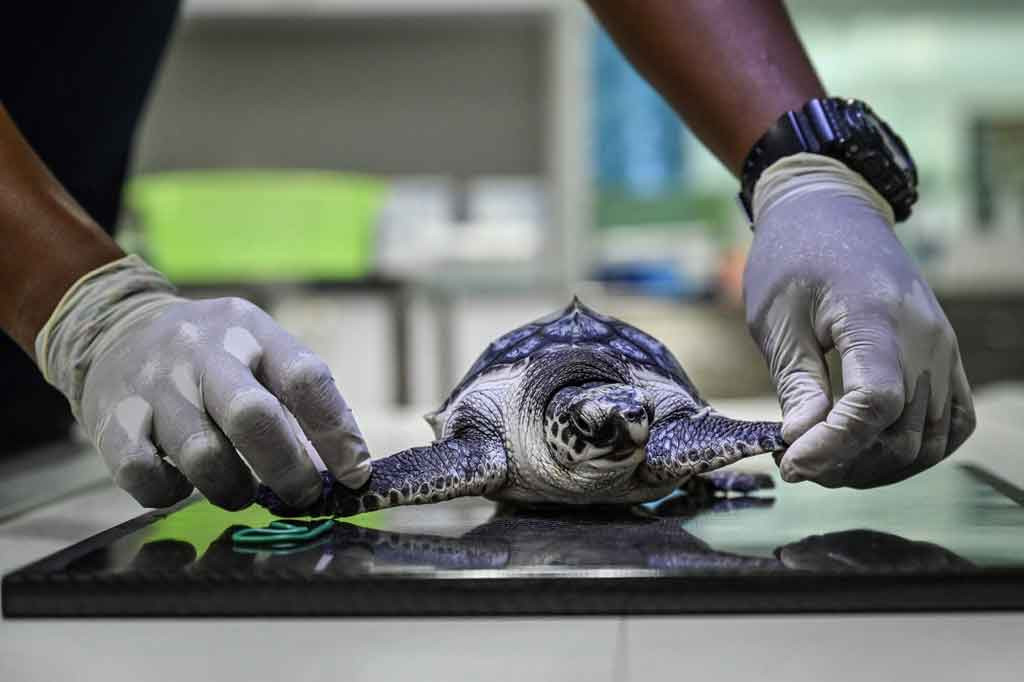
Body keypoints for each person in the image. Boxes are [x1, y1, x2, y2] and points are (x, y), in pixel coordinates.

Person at [0, 1, 975, 510]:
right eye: (627, 430)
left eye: (639, 430)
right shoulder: (492, 441)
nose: (639, 436)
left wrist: (803, 163)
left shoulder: (653, 433)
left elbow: (681, 431)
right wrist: (88, 306)